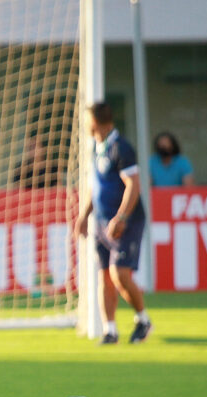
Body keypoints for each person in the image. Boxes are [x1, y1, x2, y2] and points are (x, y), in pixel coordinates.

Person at [74, 102, 152, 344]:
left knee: (120, 274)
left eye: (87, 120)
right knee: (104, 276)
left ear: (97, 122)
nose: (85, 124)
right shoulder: (96, 148)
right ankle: (110, 331)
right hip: (100, 222)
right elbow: (94, 186)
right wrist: (84, 215)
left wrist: (121, 218)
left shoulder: (121, 147)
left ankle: (143, 320)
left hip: (125, 222)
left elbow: (134, 185)